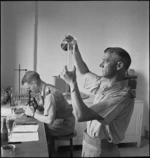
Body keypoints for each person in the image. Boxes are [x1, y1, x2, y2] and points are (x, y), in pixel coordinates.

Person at [60, 35, 135, 157]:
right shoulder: (104, 82)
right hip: (89, 144)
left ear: (119, 66)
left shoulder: (122, 96)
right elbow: (84, 71)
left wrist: (72, 84)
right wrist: (75, 49)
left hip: (102, 150)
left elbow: (81, 115)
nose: (100, 65)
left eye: (105, 61)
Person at [21, 71, 75, 155]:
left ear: (34, 83)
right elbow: (46, 107)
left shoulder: (50, 96)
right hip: (62, 121)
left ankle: (45, 154)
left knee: (39, 131)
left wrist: (32, 114)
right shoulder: (47, 88)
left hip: (65, 126)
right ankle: (49, 151)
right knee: (37, 126)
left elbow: (49, 120)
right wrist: (36, 107)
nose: (29, 91)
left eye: (29, 88)